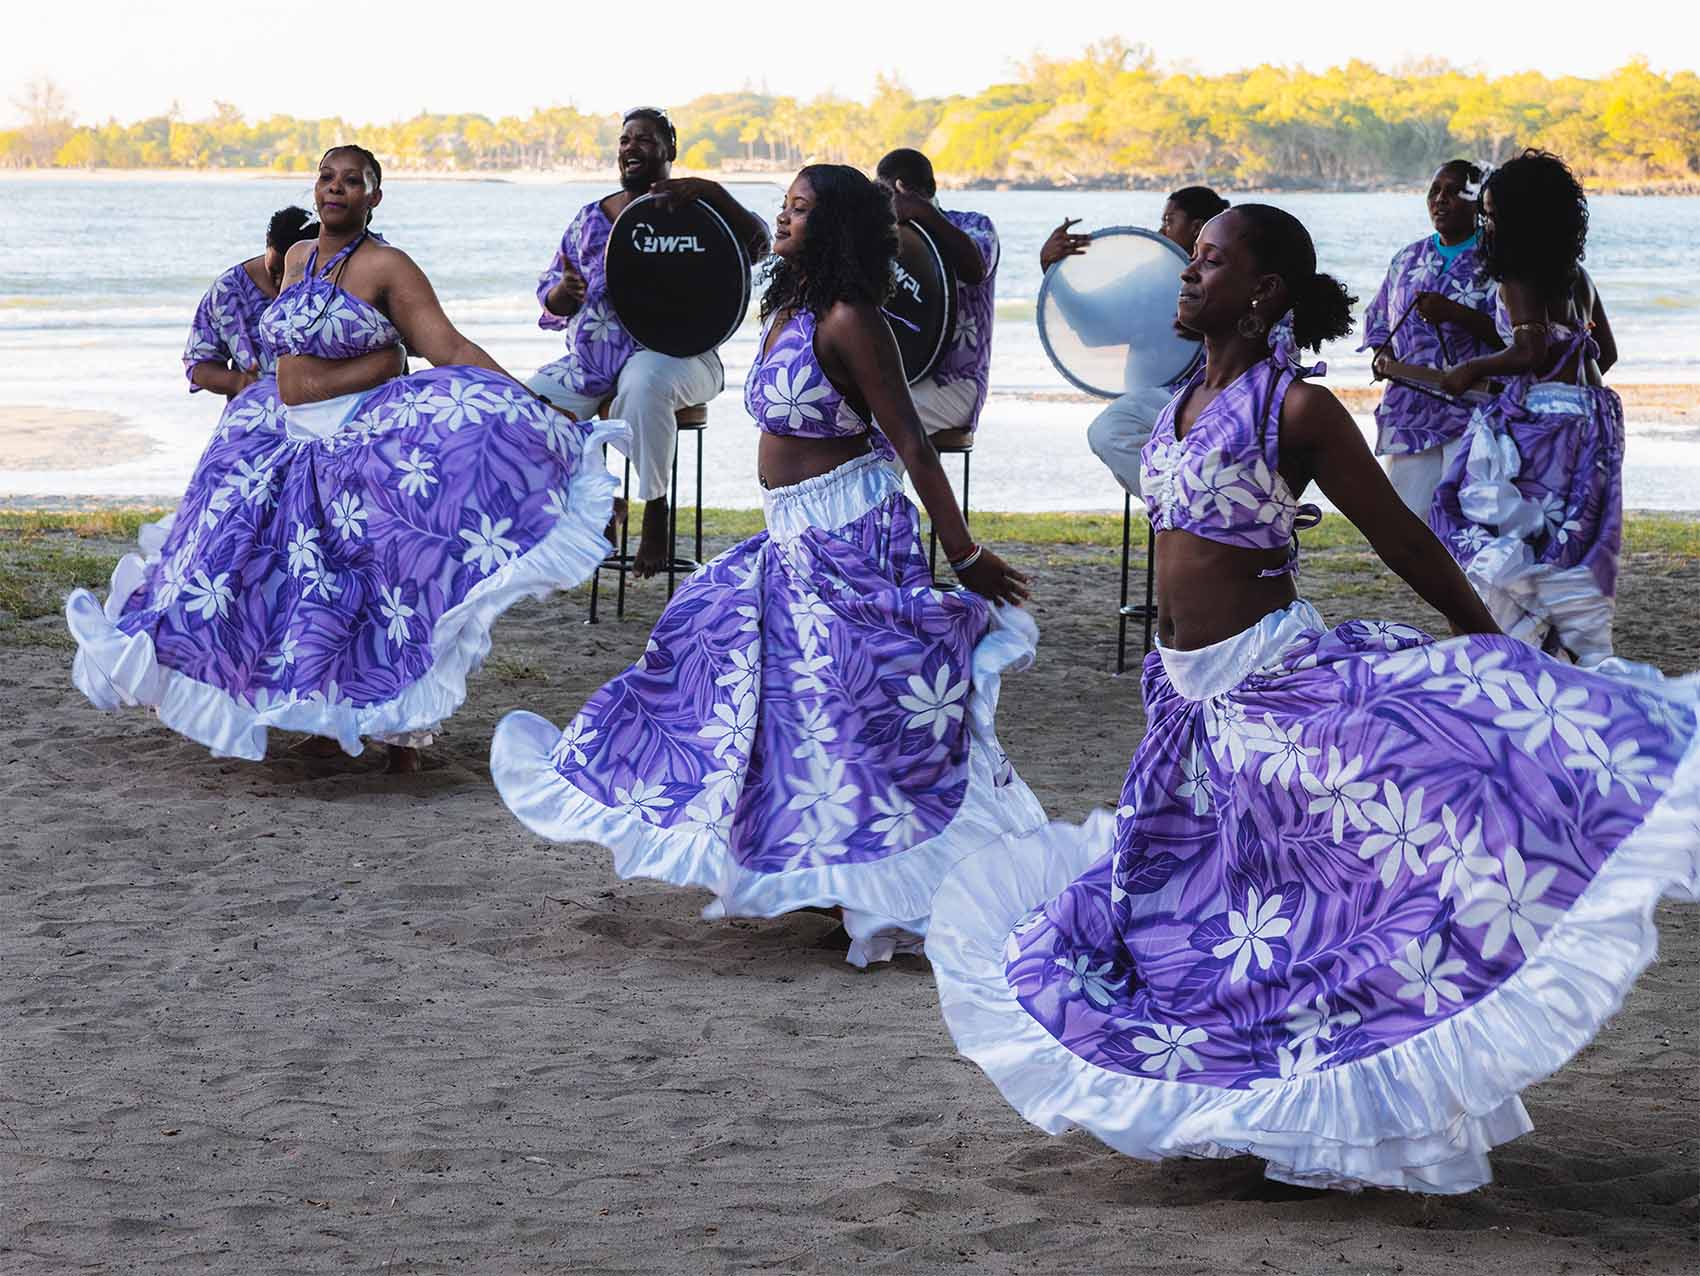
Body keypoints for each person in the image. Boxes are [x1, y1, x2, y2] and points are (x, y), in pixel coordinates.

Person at [926, 203, 1698, 1194]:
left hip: (1272, 681)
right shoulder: (1175, 404)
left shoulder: (1292, 408)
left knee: (1326, 896)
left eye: (1209, 263)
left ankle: (1331, 1106)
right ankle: (1247, 1099)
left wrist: (1489, 645)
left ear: (1263, 293)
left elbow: (1401, 538)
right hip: (1181, 704)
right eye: (1188, 261)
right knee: (1198, 914)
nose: (1185, 275)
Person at [492, 164, 1042, 967]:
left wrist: (965, 554)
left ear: (838, 227)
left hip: (849, 526)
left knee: (848, 715)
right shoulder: (788, 307)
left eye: (801, 210)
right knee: (745, 673)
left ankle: (902, 890)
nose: (783, 218)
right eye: (785, 206)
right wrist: (701, 194)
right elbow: (742, 236)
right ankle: (826, 871)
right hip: (790, 526)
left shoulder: (855, 320)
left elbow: (914, 445)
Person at [67, 145, 624, 772]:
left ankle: (397, 735)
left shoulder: (389, 266)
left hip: (357, 442)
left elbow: (445, 346)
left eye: (352, 181)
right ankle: (322, 717)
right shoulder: (300, 257)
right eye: (327, 178)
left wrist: (532, 407)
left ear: (373, 196)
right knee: (280, 586)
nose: (336, 189)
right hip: (281, 440)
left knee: (377, 585)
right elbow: (290, 357)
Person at [526, 108, 770, 577]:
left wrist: (714, 192)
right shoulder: (589, 220)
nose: (630, 147)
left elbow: (760, 246)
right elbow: (552, 294)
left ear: (669, 149)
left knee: (642, 383)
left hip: (681, 358)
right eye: (623, 140)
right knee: (524, 410)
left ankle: (654, 507)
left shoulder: (700, 208)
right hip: (592, 363)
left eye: (644, 138)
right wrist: (562, 295)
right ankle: (600, 500)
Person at [1430, 150, 1623, 663]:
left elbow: (1530, 351)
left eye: (1491, 215)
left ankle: (1512, 649)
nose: (1485, 224)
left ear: (1519, 220)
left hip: (1544, 425)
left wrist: (1470, 371)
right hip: (1595, 420)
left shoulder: (1517, 277)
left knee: (1487, 527)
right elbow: (1608, 353)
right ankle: (1563, 650)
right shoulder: (1576, 275)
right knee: (1566, 544)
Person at [1040, 186, 1230, 491]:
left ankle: (1189, 504)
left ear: (1196, 228)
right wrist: (1052, 271)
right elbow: (1094, 328)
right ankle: (1185, 499)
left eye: (1169, 221)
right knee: (1110, 432)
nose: (1160, 230)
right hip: (1166, 400)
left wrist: (1213, 327)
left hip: (1224, 401)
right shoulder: (1153, 275)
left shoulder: (1234, 276)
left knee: (1111, 431)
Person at [1361, 161, 1504, 515]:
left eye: (1454, 191)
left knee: (1471, 520)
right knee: (1409, 521)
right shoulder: (1408, 259)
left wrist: (1456, 313)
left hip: (1475, 410)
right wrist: (1381, 355)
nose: (1440, 199)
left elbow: (1516, 337)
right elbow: (1379, 319)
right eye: (1434, 190)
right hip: (1411, 409)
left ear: (1479, 201)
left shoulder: (1498, 260)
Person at [873, 148, 999, 437]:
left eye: (893, 194)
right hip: (901, 380)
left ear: (927, 190)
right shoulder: (882, 235)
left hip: (955, 383)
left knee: (879, 427)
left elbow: (975, 269)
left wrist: (922, 212)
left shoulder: (974, 225)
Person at [183, 206, 319, 400]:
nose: (281, 282)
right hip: (254, 416)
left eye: (293, 272)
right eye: (275, 271)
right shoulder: (228, 290)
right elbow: (199, 363)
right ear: (267, 243)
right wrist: (240, 383)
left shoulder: (331, 285)